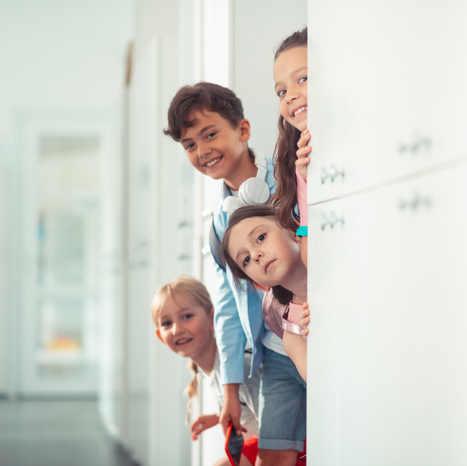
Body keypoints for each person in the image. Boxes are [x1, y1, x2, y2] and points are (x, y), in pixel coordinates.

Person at [164, 82, 305, 465]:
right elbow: (228, 310)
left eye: (210, 134)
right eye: (190, 144)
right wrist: (230, 388)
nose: (203, 150)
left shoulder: (290, 179)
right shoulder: (218, 224)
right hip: (275, 356)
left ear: (242, 130)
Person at [151, 276, 262, 466]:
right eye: (167, 323)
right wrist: (217, 416)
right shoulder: (211, 369)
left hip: (296, 444)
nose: (177, 329)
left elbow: (279, 430)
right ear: (160, 336)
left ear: (212, 319)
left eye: (187, 316)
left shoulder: (240, 370)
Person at [221, 205, 310, 382]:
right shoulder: (293, 335)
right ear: (258, 284)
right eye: (246, 260)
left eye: (261, 238)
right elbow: (322, 383)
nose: (255, 255)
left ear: (293, 227)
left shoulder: (338, 254)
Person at [271, 27, 311, 267]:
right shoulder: (301, 166)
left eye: (303, 79)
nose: (289, 96)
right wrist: (309, 180)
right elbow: (309, 259)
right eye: (281, 91)